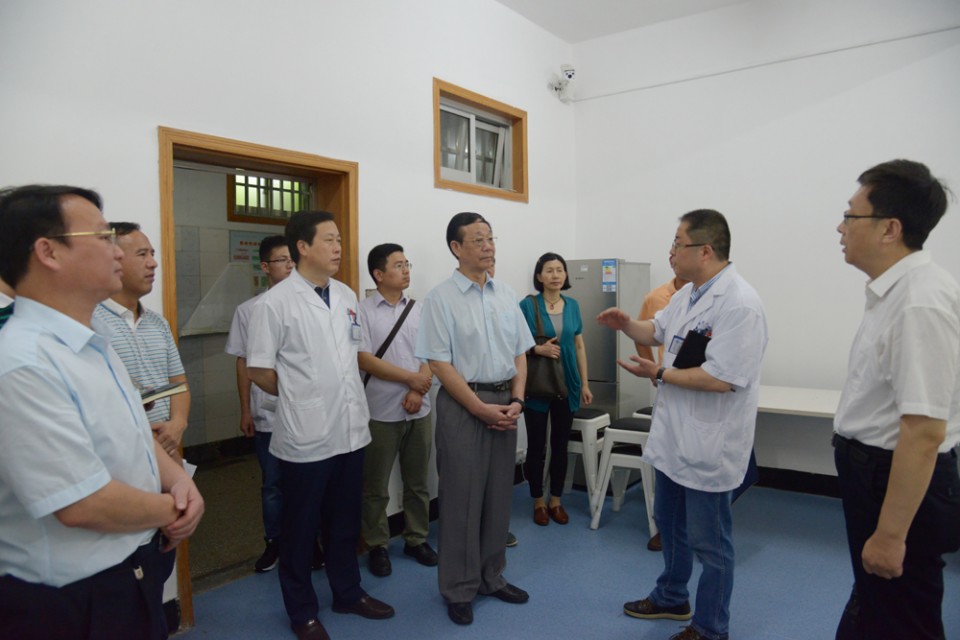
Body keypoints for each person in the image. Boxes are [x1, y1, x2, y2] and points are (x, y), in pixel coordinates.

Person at [0, 185, 204, 640]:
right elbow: (80, 503)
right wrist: (176, 508)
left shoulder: (94, 341)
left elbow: (136, 432)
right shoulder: (22, 362)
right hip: (71, 596)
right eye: (103, 236)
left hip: (130, 564)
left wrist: (179, 480)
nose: (118, 251)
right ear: (48, 252)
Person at [597, 209, 767, 640]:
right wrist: (627, 324)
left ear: (704, 251)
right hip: (674, 437)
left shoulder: (740, 304)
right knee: (669, 523)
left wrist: (658, 373)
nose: (671, 251)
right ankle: (672, 596)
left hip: (710, 444)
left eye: (677, 243)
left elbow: (722, 379)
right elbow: (656, 331)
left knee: (711, 542)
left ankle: (711, 627)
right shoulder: (687, 293)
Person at [246, 211, 393, 640]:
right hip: (305, 437)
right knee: (300, 529)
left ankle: (348, 592)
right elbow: (259, 370)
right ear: (302, 247)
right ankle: (302, 611)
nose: (338, 247)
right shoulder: (274, 303)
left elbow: (351, 354)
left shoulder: (346, 294)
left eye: (339, 239)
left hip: (350, 428)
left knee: (344, 522)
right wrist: (301, 395)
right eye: (329, 239)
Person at [833, 159, 960, 640]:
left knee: (904, 618)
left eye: (850, 216)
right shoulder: (895, 292)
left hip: (895, 480)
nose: (840, 228)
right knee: (877, 604)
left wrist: (890, 536)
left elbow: (924, 432)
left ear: (890, 228)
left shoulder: (918, 302)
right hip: (876, 475)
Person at [415, 212, 535, 626]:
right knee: (462, 499)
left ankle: (492, 577)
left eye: (491, 238)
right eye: (478, 240)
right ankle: (459, 587)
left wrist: (518, 399)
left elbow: (520, 353)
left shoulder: (506, 295)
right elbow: (439, 363)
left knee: (499, 496)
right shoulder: (440, 299)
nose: (488, 246)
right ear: (456, 247)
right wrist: (478, 407)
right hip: (463, 403)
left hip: (506, 401)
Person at [358, 243, 437, 577]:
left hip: (420, 409)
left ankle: (416, 538)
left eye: (407, 264)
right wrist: (410, 380)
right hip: (380, 411)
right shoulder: (361, 311)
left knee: (418, 482)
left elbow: (432, 352)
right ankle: (377, 545)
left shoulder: (421, 309)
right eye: (398, 265)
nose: (406, 271)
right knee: (375, 486)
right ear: (379, 274)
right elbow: (363, 358)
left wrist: (418, 388)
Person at [225, 235, 300, 573]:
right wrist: (245, 410)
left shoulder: (309, 305)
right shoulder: (249, 310)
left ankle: (308, 542)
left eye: (292, 259)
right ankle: (274, 542)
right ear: (266, 267)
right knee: (273, 484)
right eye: (283, 260)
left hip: (305, 413)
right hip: (267, 413)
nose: (290, 266)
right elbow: (244, 363)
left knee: (306, 482)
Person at [93, 223, 190, 462]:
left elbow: (178, 383)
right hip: (118, 455)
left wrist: (177, 424)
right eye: (142, 254)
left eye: (152, 254)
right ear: (114, 259)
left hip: (166, 449)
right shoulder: (91, 321)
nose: (153, 263)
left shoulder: (158, 323)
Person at [519, 252, 592, 526]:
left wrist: (584, 383)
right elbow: (515, 343)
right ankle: (538, 500)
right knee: (536, 445)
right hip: (537, 384)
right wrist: (537, 349)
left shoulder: (572, 305)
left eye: (560, 270)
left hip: (568, 383)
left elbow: (579, 345)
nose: (555, 275)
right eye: (549, 270)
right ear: (539, 276)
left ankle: (556, 500)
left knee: (560, 444)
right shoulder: (528, 306)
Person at [634, 267, 690, 552]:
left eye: (679, 247)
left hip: (697, 392)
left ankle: (690, 528)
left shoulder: (723, 299)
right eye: (672, 250)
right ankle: (664, 528)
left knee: (693, 466)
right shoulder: (659, 297)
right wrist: (655, 372)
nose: (674, 255)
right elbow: (645, 333)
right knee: (666, 463)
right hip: (668, 388)